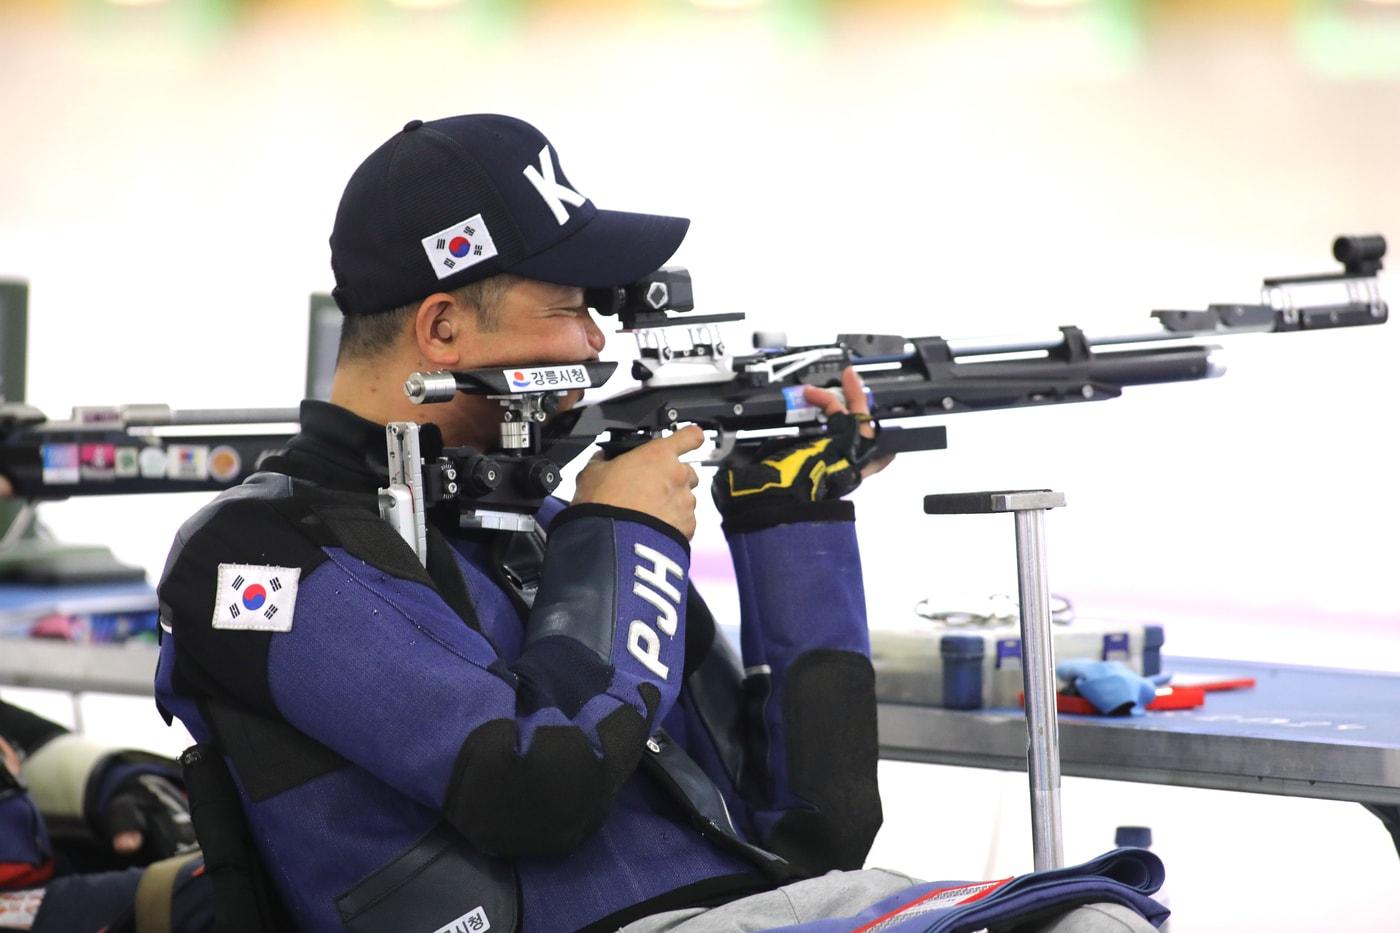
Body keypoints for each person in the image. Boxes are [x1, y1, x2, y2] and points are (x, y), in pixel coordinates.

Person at [153, 115, 1164, 933]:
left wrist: (789, 522)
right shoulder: (255, 559)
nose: (600, 342)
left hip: (766, 913)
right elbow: (534, 784)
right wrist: (622, 540)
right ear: (443, 327)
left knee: (1094, 923)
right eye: (571, 307)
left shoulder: (537, 521)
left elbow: (818, 829)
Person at [0, 699, 210, 932]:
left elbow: (36, 739)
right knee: (218, 888)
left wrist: (114, 780)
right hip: (27, 898)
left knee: (221, 877)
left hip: (45, 874)